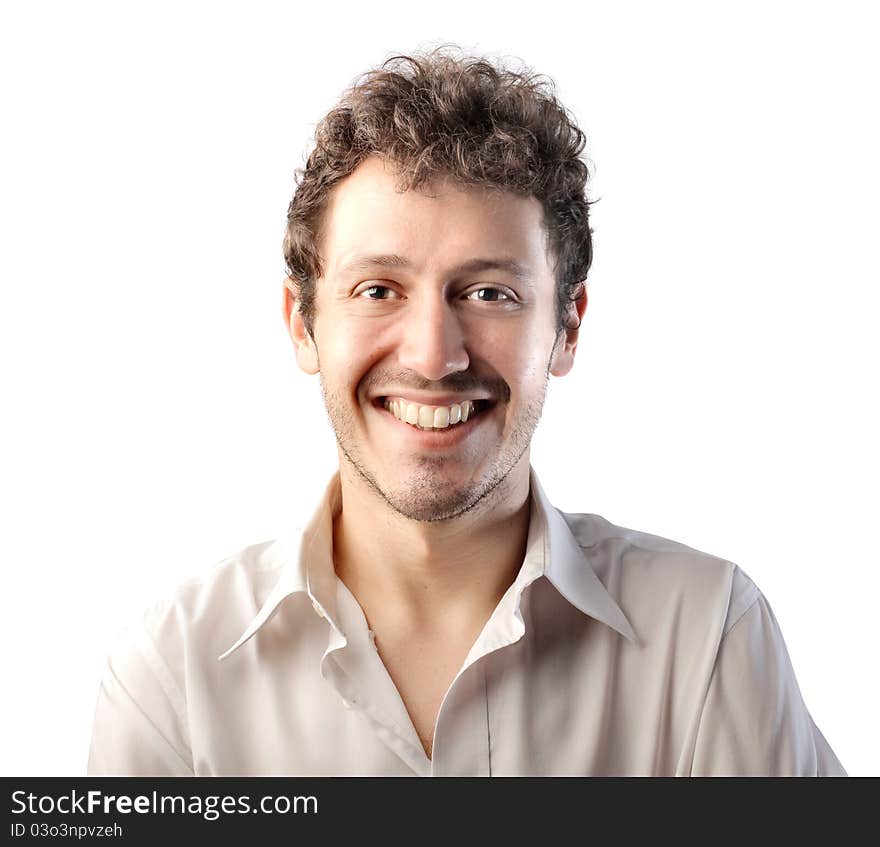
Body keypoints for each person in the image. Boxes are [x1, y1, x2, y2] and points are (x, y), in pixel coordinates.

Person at [87, 48, 846, 777]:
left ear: (568, 327)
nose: (433, 355)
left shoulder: (709, 637)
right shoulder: (174, 678)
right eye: (378, 289)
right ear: (301, 323)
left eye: (489, 293)